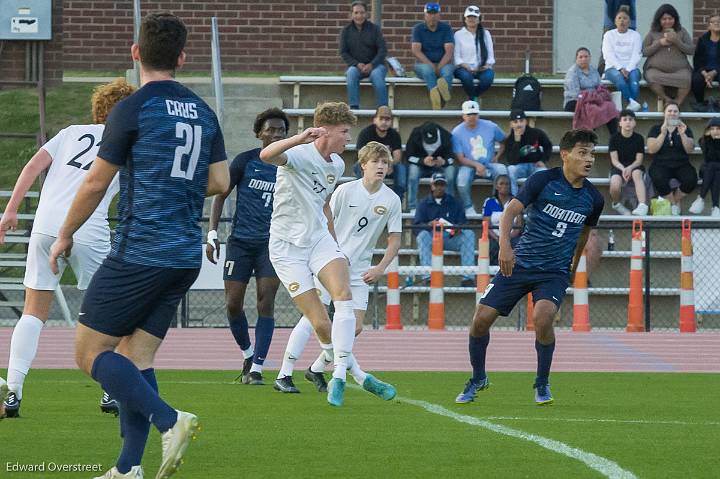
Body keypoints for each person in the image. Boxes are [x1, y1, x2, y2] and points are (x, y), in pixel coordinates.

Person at [48, 13, 230, 479]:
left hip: (139, 251)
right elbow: (220, 180)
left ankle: (171, 419)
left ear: (135, 53)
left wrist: (65, 233)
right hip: (183, 256)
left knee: (88, 354)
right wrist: (176, 185)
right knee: (135, 357)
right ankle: (128, 468)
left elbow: (93, 184)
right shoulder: (204, 112)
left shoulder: (132, 108)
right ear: (183, 58)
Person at [0, 79, 135, 419]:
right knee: (109, 312)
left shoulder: (71, 131)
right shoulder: (127, 141)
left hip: (46, 225)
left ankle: (13, 392)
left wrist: (11, 210)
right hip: (87, 226)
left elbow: (33, 166)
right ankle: (110, 391)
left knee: (33, 311)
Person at [455, 129, 604, 406]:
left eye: (592, 154)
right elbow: (511, 210)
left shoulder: (593, 198)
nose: (589, 159)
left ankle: (542, 383)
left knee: (543, 317)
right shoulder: (543, 180)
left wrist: (574, 264)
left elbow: (584, 234)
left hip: (554, 271)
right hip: (521, 263)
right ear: (565, 155)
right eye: (583, 153)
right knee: (480, 320)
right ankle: (478, 377)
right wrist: (506, 249)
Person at [276, 142, 401, 399]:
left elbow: (395, 239)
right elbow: (325, 219)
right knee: (314, 318)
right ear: (363, 164)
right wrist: (332, 253)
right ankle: (285, 372)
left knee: (354, 328)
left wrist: (380, 267)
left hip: (361, 271)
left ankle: (315, 368)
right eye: (375, 161)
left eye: (385, 163)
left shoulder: (391, 199)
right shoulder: (345, 191)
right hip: (332, 265)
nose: (381, 166)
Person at [260, 101, 357, 407]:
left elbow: (324, 203)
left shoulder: (338, 165)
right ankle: (335, 362)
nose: (348, 139)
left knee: (343, 294)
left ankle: (339, 368)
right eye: (344, 132)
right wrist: (299, 137)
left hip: (317, 239)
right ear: (325, 131)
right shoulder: (299, 153)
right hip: (287, 248)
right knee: (320, 324)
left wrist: (334, 241)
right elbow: (266, 154)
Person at [206, 108, 288, 385]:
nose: (276, 134)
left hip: (271, 243)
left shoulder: (291, 164)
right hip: (240, 242)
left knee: (266, 301)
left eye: (281, 130)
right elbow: (220, 194)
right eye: (271, 129)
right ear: (259, 133)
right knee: (232, 304)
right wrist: (213, 233)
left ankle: (258, 369)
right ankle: (248, 354)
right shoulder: (246, 161)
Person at [414, 172, 476, 287]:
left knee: (469, 234)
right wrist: (429, 224)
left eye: (442, 184)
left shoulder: (455, 202)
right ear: (432, 186)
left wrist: (458, 228)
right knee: (422, 235)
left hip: (451, 238)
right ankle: (428, 278)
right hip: (432, 238)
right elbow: (416, 227)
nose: (439, 187)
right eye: (436, 184)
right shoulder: (423, 204)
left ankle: (468, 278)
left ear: (445, 186)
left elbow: (464, 223)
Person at [452, 100, 507, 215]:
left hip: (488, 164)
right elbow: (460, 158)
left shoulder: (491, 126)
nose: (472, 117)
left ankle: (495, 203)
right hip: (468, 165)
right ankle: (468, 207)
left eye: (474, 114)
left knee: (502, 171)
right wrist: (476, 165)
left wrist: (497, 156)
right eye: (468, 114)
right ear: (463, 116)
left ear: (478, 115)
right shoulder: (457, 132)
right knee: (462, 180)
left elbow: (504, 141)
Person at [646, 102, 696, 216]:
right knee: (658, 178)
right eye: (669, 111)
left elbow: (689, 150)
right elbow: (651, 149)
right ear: (664, 113)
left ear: (679, 114)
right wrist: (663, 133)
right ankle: (674, 204)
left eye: (675, 111)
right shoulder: (655, 129)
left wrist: (683, 134)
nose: (672, 113)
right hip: (661, 164)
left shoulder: (685, 129)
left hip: (681, 163)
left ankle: (674, 201)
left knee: (691, 179)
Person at [642, 4, 694, 107]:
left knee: (687, 78)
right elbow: (644, 51)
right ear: (659, 20)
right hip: (657, 70)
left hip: (680, 70)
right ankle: (668, 100)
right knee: (651, 77)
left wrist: (677, 41)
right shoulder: (653, 32)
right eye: (664, 19)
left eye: (670, 18)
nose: (667, 21)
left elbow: (691, 50)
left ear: (675, 19)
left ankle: (678, 103)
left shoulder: (682, 31)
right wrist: (659, 43)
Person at [339, 1, 388, 109]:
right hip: (357, 67)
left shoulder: (375, 29)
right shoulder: (346, 31)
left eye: (362, 13)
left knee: (376, 75)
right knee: (351, 73)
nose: (359, 16)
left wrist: (372, 64)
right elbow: (343, 52)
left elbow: (382, 50)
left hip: (376, 66)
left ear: (366, 14)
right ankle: (354, 107)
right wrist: (357, 64)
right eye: (356, 13)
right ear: (351, 14)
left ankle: (383, 108)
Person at [354, 106, 406, 202]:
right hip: (369, 164)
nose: (384, 122)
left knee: (401, 169)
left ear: (391, 121)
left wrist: (389, 164)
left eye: (387, 119)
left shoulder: (394, 134)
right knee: (359, 166)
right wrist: (375, 165)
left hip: (388, 165)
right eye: (381, 118)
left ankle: (396, 202)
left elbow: (397, 156)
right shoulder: (366, 133)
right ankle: (362, 200)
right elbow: (361, 156)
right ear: (374, 120)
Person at [495, 109, 551, 196]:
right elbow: (512, 161)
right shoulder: (509, 139)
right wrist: (517, 141)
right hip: (520, 167)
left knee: (544, 172)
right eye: (515, 122)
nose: (519, 124)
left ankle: (541, 203)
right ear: (511, 124)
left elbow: (548, 145)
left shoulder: (536, 133)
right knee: (510, 169)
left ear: (526, 122)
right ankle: (515, 199)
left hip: (535, 165)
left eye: (521, 121)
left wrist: (543, 160)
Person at [564, 47, 618, 135]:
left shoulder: (593, 71)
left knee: (610, 106)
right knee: (593, 110)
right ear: (576, 59)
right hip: (576, 101)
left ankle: (615, 137)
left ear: (590, 58)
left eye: (586, 56)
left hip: (593, 99)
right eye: (580, 57)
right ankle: (590, 139)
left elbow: (600, 86)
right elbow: (575, 93)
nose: (583, 59)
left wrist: (598, 95)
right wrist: (592, 97)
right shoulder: (572, 72)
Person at [405, 121, 456, 213]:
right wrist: (422, 161)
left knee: (451, 173)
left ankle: (449, 205)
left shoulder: (445, 136)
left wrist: (444, 162)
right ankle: (412, 207)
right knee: (413, 174)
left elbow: (452, 158)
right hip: (421, 166)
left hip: (440, 167)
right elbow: (409, 156)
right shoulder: (415, 134)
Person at [412, 2, 455, 110]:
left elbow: (449, 52)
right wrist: (432, 65)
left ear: (439, 15)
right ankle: (439, 101)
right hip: (423, 64)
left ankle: (439, 102)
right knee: (428, 71)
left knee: (448, 72)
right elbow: (416, 51)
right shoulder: (418, 28)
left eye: (435, 14)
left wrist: (439, 67)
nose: (432, 16)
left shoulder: (446, 28)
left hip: (443, 63)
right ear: (425, 15)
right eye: (430, 14)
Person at [602, 6, 643, 111]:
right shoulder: (609, 35)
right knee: (619, 79)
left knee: (634, 80)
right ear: (615, 21)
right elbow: (608, 54)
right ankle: (632, 103)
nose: (622, 21)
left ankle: (631, 107)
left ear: (629, 22)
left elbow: (637, 54)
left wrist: (628, 69)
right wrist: (620, 68)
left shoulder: (635, 35)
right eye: (619, 18)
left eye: (625, 18)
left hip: (631, 68)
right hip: (612, 68)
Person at [608, 109, 648, 215]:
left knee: (636, 174)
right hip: (619, 166)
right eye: (624, 119)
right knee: (615, 185)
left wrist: (630, 168)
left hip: (634, 165)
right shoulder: (614, 138)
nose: (628, 122)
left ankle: (642, 205)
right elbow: (614, 160)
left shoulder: (639, 138)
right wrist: (623, 169)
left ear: (634, 123)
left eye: (630, 119)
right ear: (620, 123)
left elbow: (639, 160)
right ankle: (617, 204)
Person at [453, 5, 495, 101]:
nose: (471, 19)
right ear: (465, 19)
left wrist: (485, 66)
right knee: (466, 78)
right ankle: (474, 100)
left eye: (474, 17)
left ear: (479, 19)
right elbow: (456, 57)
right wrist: (465, 66)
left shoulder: (486, 34)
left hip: (482, 68)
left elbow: (490, 55)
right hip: (463, 68)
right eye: (469, 17)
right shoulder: (458, 35)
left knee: (488, 78)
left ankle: (473, 97)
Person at [481, 174, 521, 265]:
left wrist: (507, 238)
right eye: (501, 183)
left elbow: (519, 225)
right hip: (494, 236)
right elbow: (486, 225)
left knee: (517, 245)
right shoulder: (489, 202)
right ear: (496, 186)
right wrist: (498, 238)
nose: (504, 186)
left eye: (507, 184)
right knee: (492, 246)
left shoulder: (515, 201)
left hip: (512, 236)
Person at [689, 117, 720, 216]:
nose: (715, 131)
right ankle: (715, 207)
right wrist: (711, 140)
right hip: (707, 168)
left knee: (716, 171)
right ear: (708, 130)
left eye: (718, 128)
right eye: (712, 129)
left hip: (715, 170)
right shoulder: (704, 140)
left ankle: (701, 199)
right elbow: (709, 157)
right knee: (712, 166)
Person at [597, 0, 637, 75]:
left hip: (629, 17)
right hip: (610, 18)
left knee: (628, 49)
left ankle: (628, 71)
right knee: (607, 50)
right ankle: (603, 73)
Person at [691, 14, 720, 112]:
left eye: (719, 21)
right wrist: (705, 74)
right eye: (713, 22)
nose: (717, 23)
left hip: (718, 70)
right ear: (709, 26)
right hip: (704, 70)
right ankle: (700, 103)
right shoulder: (702, 40)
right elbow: (697, 60)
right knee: (696, 79)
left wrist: (714, 72)